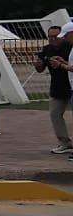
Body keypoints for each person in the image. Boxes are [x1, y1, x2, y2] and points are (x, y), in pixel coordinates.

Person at [36, 21, 73, 154]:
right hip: (57, 87)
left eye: (55, 36)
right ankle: (64, 142)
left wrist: (62, 63)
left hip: (70, 85)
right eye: (49, 36)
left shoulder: (70, 47)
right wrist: (39, 63)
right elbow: (40, 68)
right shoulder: (46, 49)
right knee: (55, 114)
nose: (52, 39)